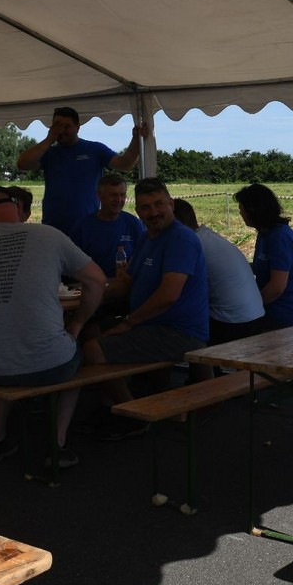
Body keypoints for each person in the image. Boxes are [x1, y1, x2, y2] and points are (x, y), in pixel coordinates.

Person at [0, 186, 109, 468]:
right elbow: (97, 281)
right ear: (18, 209)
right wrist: (76, 324)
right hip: (51, 364)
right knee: (77, 359)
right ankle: (57, 444)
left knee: (8, 349)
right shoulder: (48, 235)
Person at [90, 178, 208, 437]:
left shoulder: (181, 239)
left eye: (158, 204)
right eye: (145, 207)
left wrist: (128, 322)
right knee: (88, 331)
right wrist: (91, 288)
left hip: (178, 333)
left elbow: (168, 295)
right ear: (137, 211)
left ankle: (132, 413)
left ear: (171, 204)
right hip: (152, 324)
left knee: (92, 350)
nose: (153, 212)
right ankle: (110, 404)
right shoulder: (147, 238)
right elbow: (127, 282)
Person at [15, 106, 147, 234]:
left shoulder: (94, 149)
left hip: (88, 226)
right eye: (57, 126)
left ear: (77, 127)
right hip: (54, 226)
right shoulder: (49, 153)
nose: (61, 130)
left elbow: (124, 164)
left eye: (66, 126)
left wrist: (136, 139)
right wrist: (49, 139)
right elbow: (22, 164)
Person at [173, 198, 264, 345]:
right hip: (255, 316)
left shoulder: (191, 244)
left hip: (234, 323)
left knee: (187, 332)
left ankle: (204, 364)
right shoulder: (207, 236)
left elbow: (176, 291)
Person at [234, 183, 293, 331]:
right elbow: (261, 267)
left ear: (253, 210)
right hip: (273, 306)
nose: (240, 213)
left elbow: (277, 287)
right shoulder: (265, 233)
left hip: (284, 310)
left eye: (241, 209)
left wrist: (251, 307)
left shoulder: (280, 237)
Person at [70, 174, 144, 277]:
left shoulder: (134, 223)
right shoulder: (83, 227)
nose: (118, 200)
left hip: (126, 286)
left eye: (122, 195)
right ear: (99, 195)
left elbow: (144, 255)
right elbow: (73, 264)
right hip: (94, 287)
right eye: (113, 195)